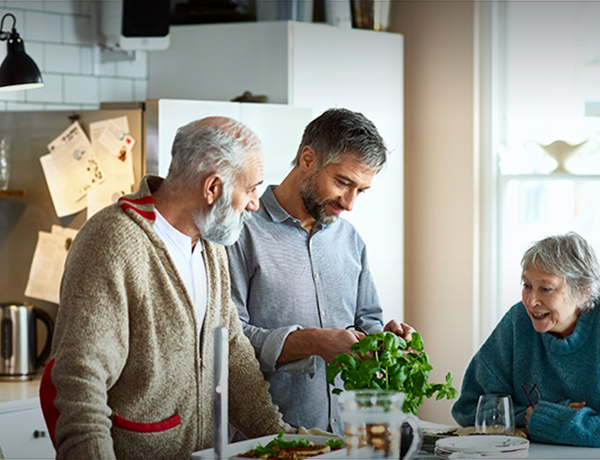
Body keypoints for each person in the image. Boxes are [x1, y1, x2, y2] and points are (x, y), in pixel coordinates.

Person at [39, 117, 297, 460]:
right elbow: (79, 383)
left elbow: (232, 353)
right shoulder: (114, 241)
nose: (254, 203)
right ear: (213, 188)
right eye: (251, 188)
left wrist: (284, 441)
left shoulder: (211, 246)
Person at [226, 108, 415, 435]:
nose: (350, 203)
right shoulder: (239, 234)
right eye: (343, 182)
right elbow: (228, 341)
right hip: (269, 443)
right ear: (308, 158)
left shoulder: (350, 239)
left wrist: (386, 342)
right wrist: (313, 341)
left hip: (347, 440)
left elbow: (365, 322)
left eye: (361, 190)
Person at [451, 232, 600, 447]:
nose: (531, 301)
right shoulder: (517, 322)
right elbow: (468, 408)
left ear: (583, 291)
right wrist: (530, 416)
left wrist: (552, 420)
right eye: (527, 285)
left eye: (546, 289)